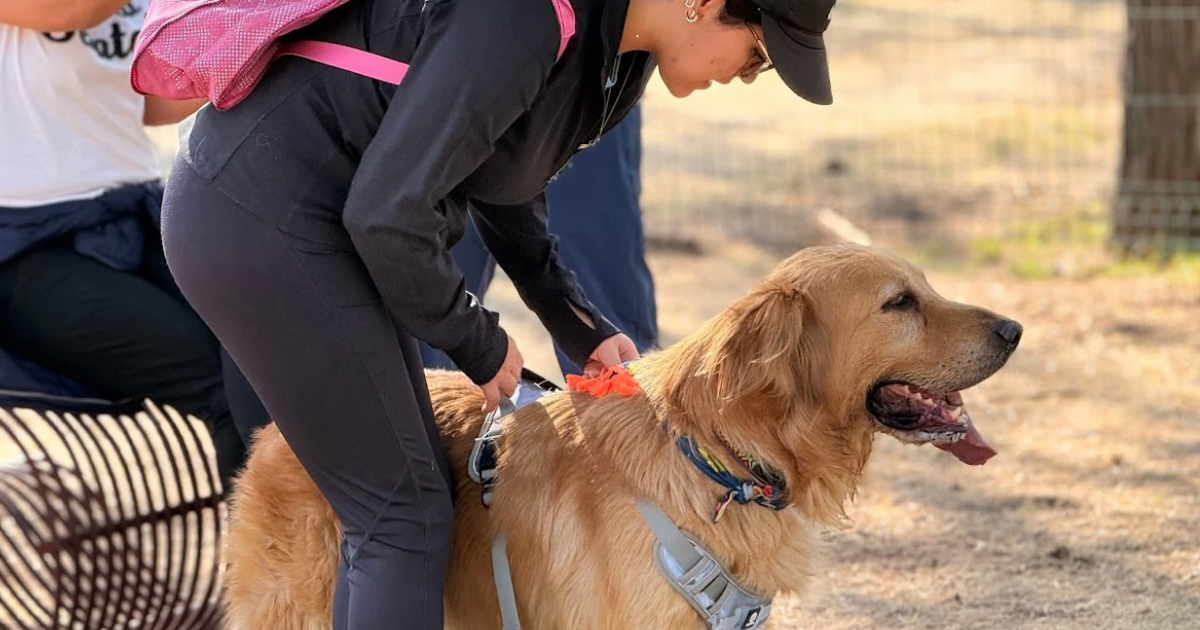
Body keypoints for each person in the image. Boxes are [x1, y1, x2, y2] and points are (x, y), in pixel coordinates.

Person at [157, 0, 838, 628]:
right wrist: (475, 340)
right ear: (706, 2)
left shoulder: (613, 58)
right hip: (259, 215)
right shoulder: (523, 16)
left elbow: (505, 185)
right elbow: (388, 216)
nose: (753, 74)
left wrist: (575, 320)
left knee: (402, 506)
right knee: (402, 515)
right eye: (762, 50)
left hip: (323, 224)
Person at [0, 0, 270, 490]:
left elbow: (146, 98)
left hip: (135, 216)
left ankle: (316, 550)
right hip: (27, 249)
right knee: (224, 386)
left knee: (263, 356)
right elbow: (72, 12)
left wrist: (258, 44)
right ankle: (266, 563)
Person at [418, 105, 659, 378]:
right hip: (463, 94)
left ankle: (621, 405)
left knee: (606, 334)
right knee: (435, 291)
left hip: (583, 92)